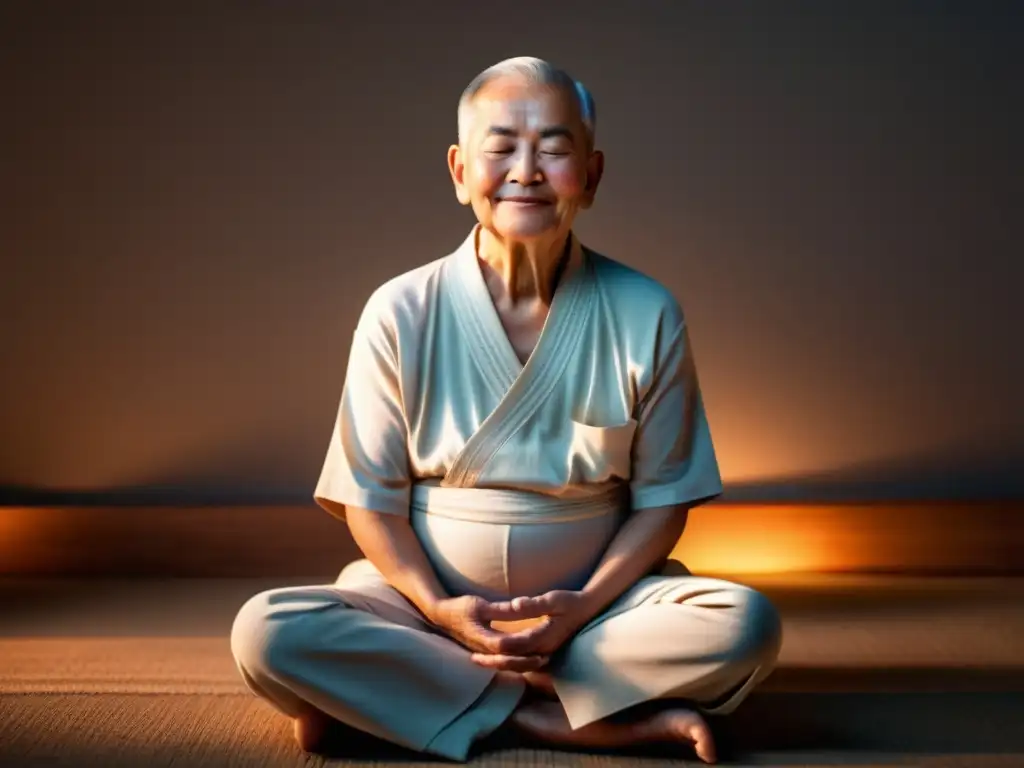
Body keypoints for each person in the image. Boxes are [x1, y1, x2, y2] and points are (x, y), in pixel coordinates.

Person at [230, 56, 782, 764]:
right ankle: (551, 716)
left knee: (745, 627)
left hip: (595, 613)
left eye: (554, 150)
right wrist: (438, 610)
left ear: (593, 175)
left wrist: (581, 609)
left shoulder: (647, 311)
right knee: (267, 633)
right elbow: (370, 502)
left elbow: (660, 506)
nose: (526, 171)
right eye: (502, 149)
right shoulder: (400, 310)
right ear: (460, 172)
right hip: (423, 609)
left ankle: (413, 703)